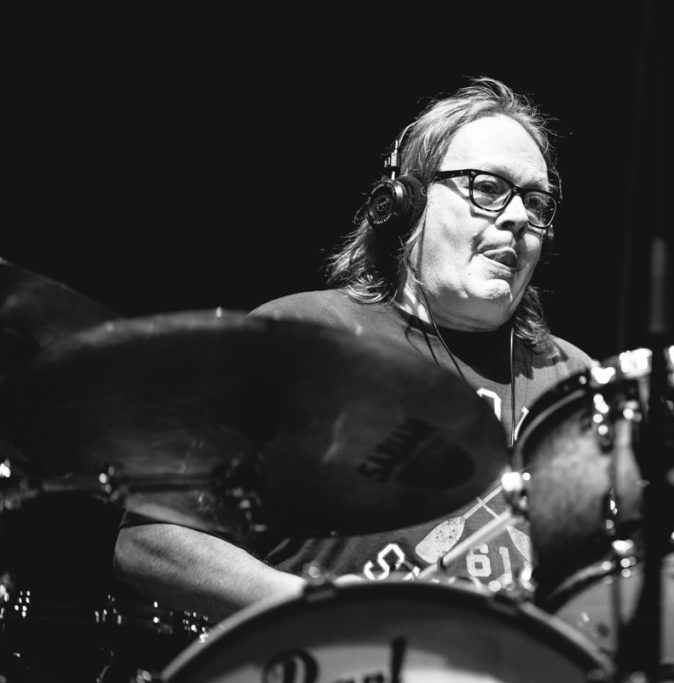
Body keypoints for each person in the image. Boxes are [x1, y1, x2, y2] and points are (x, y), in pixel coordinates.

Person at [113, 77, 593, 624]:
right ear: (409, 201)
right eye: (488, 188)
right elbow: (150, 541)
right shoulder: (300, 336)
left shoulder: (574, 381)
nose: (517, 217)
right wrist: (330, 609)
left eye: (536, 201)